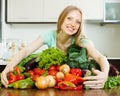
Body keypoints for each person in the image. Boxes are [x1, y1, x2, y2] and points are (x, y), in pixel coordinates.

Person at [1, 5, 109, 89]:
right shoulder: (50, 36)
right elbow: (25, 51)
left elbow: (100, 58)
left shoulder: (81, 41)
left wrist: (104, 74)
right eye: (69, 18)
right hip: (55, 83)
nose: (73, 24)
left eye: (78, 22)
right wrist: (8, 67)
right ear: (61, 19)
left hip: (74, 85)